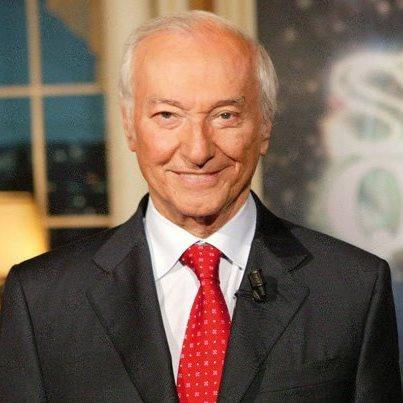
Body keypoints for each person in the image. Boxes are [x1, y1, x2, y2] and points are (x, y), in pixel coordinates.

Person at [0, 10, 401, 402]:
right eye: (167, 115)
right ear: (129, 125)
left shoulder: (352, 289)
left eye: (225, 116)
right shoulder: (42, 301)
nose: (197, 151)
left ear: (264, 127)